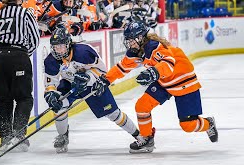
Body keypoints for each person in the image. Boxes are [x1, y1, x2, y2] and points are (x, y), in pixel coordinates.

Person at [93, 20, 218, 153]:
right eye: (128, 40)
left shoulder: (154, 46)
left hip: (183, 81)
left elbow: (168, 64)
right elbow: (121, 68)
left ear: (141, 37)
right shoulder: (136, 51)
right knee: (142, 106)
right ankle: (147, 139)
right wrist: (105, 80)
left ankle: (208, 124)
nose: (129, 43)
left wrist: (154, 72)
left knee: (188, 125)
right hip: (164, 81)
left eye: (132, 40)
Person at [44, 26, 140, 153]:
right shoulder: (51, 60)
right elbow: (51, 82)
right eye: (56, 47)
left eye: (61, 46)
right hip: (70, 84)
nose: (59, 50)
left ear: (68, 44)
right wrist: (50, 93)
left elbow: (102, 71)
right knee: (59, 105)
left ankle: (139, 136)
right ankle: (63, 136)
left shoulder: (84, 52)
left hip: (93, 84)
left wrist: (88, 77)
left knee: (113, 114)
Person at [0, 0, 40, 151]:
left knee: (3, 99)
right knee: (24, 97)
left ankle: (5, 138)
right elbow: (35, 40)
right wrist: (23, 54)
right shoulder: (25, 13)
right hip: (18, 56)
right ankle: (19, 135)